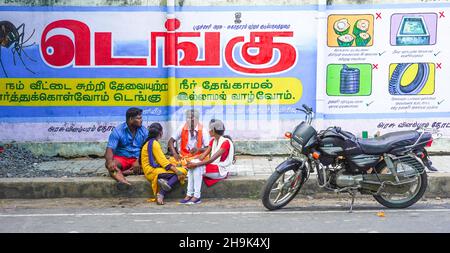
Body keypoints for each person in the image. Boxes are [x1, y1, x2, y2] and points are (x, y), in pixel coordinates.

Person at [180, 119, 234, 205]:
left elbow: (212, 159)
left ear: (213, 131)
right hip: (214, 167)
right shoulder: (213, 141)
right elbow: (203, 156)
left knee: (197, 167)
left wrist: (196, 164)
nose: (208, 131)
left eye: (210, 130)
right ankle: (189, 194)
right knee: (193, 166)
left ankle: (196, 196)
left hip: (221, 170)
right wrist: (190, 160)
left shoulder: (226, 142)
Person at [141, 123, 187, 205]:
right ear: (161, 133)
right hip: (152, 171)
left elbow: (161, 159)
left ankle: (164, 180)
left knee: (175, 167)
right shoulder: (154, 143)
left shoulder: (150, 142)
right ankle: (161, 193)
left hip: (150, 170)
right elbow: (164, 163)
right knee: (182, 172)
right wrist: (177, 170)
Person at [105, 107, 148, 186]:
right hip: (122, 158)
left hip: (138, 159)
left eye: (141, 118)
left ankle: (125, 172)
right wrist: (110, 162)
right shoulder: (118, 131)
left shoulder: (144, 131)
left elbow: (147, 149)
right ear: (131, 119)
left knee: (152, 164)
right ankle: (122, 180)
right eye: (138, 118)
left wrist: (138, 161)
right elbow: (110, 149)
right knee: (110, 165)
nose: (141, 120)